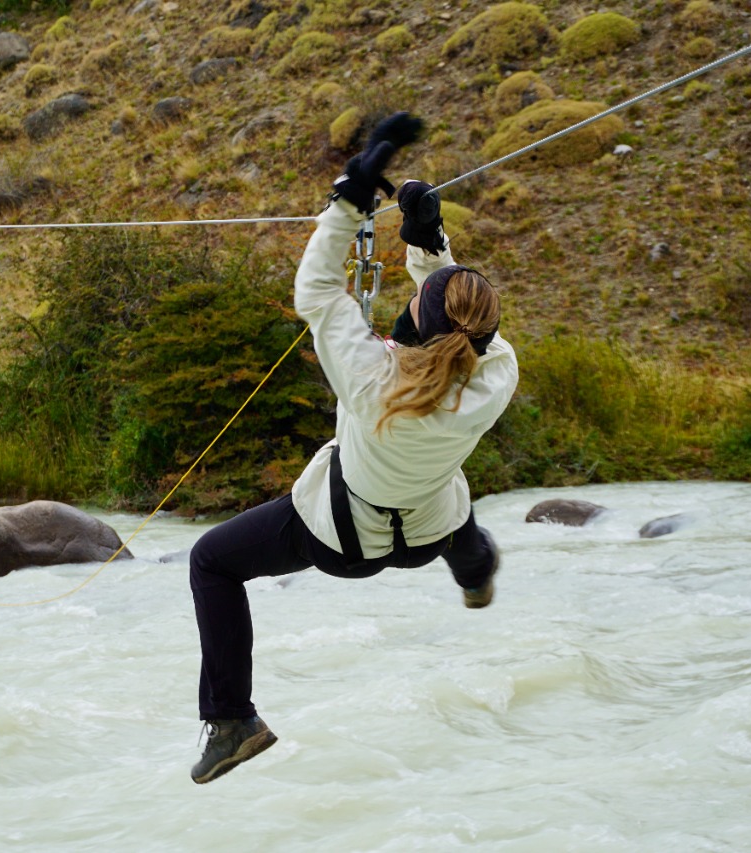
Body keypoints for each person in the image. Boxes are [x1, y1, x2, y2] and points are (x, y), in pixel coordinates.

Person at [188, 113, 519, 785]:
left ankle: (232, 722)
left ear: (415, 321)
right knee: (459, 520)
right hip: (429, 530)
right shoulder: (496, 378)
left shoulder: (370, 376)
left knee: (210, 561)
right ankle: (476, 572)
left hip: (339, 541)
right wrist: (428, 240)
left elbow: (316, 290)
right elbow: (457, 324)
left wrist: (351, 200)